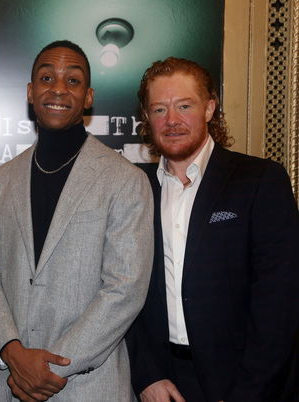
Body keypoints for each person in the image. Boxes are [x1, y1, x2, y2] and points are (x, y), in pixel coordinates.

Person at [0, 40, 154, 401]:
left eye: (72, 81)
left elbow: (125, 289)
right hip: (12, 383)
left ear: (88, 97)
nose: (57, 88)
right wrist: (12, 351)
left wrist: (48, 368)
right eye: (46, 77)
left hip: (88, 385)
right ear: (30, 91)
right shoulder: (2, 178)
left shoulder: (125, 179)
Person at [126, 57, 299, 402]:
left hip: (243, 383)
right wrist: (146, 375)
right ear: (147, 119)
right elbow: (121, 290)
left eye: (184, 106)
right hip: (161, 385)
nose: (172, 120)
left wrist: (246, 394)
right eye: (159, 110)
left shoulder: (260, 180)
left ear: (209, 108)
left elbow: (280, 303)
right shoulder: (134, 188)